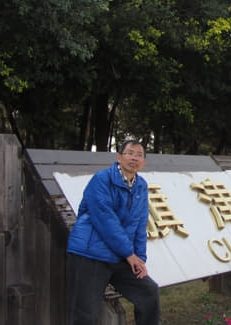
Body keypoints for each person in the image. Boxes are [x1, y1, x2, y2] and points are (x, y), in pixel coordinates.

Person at [66, 139, 160, 325]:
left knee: (149, 291)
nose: (134, 158)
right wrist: (129, 254)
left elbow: (140, 224)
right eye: (130, 153)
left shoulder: (141, 185)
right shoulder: (102, 179)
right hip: (91, 253)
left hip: (119, 256)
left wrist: (139, 258)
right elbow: (105, 221)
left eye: (139, 155)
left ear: (144, 162)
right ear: (118, 157)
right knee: (85, 314)